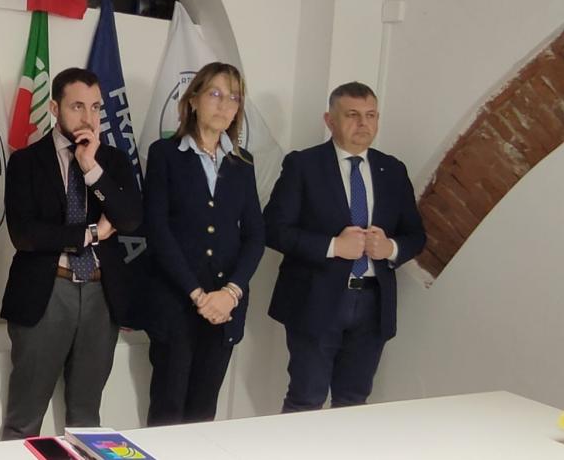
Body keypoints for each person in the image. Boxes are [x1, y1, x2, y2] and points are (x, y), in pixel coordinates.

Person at [0, 67, 143, 440]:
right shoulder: (26, 161)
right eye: (77, 106)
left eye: (95, 107)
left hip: (100, 295)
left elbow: (130, 219)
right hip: (47, 293)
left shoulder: (112, 161)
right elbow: (25, 234)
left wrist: (91, 168)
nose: (88, 118)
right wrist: (91, 233)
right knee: (23, 418)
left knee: (86, 418)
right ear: (54, 108)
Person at [264, 81, 425, 413]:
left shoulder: (392, 170)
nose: (363, 123)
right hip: (315, 300)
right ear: (330, 120)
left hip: (373, 303)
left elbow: (415, 235)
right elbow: (273, 229)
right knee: (306, 399)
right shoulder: (303, 165)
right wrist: (333, 246)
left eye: (371, 115)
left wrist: (391, 248)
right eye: (352, 115)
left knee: (354, 403)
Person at [142, 62, 265, 426]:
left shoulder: (242, 163)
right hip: (176, 302)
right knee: (168, 412)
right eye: (215, 94)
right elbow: (157, 230)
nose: (225, 104)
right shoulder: (165, 154)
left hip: (225, 307)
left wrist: (231, 292)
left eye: (234, 98)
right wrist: (197, 295)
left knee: (203, 412)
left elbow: (255, 235)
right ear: (193, 99)